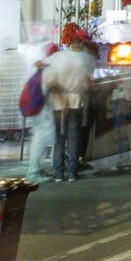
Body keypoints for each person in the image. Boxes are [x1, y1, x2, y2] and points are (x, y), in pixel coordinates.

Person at [44, 39, 93, 182]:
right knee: (73, 137)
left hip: (58, 103)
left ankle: (58, 173)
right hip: (75, 102)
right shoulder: (83, 61)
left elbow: (43, 68)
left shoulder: (58, 58)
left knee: (59, 137)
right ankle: (72, 172)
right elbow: (90, 83)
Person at [19, 55, 53, 178]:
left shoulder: (36, 76)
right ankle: (34, 172)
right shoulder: (44, 77)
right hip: (42, 113)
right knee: (40, 141)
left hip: (38, 113)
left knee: (38, 140)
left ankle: (36, 169)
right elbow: (47, 94)